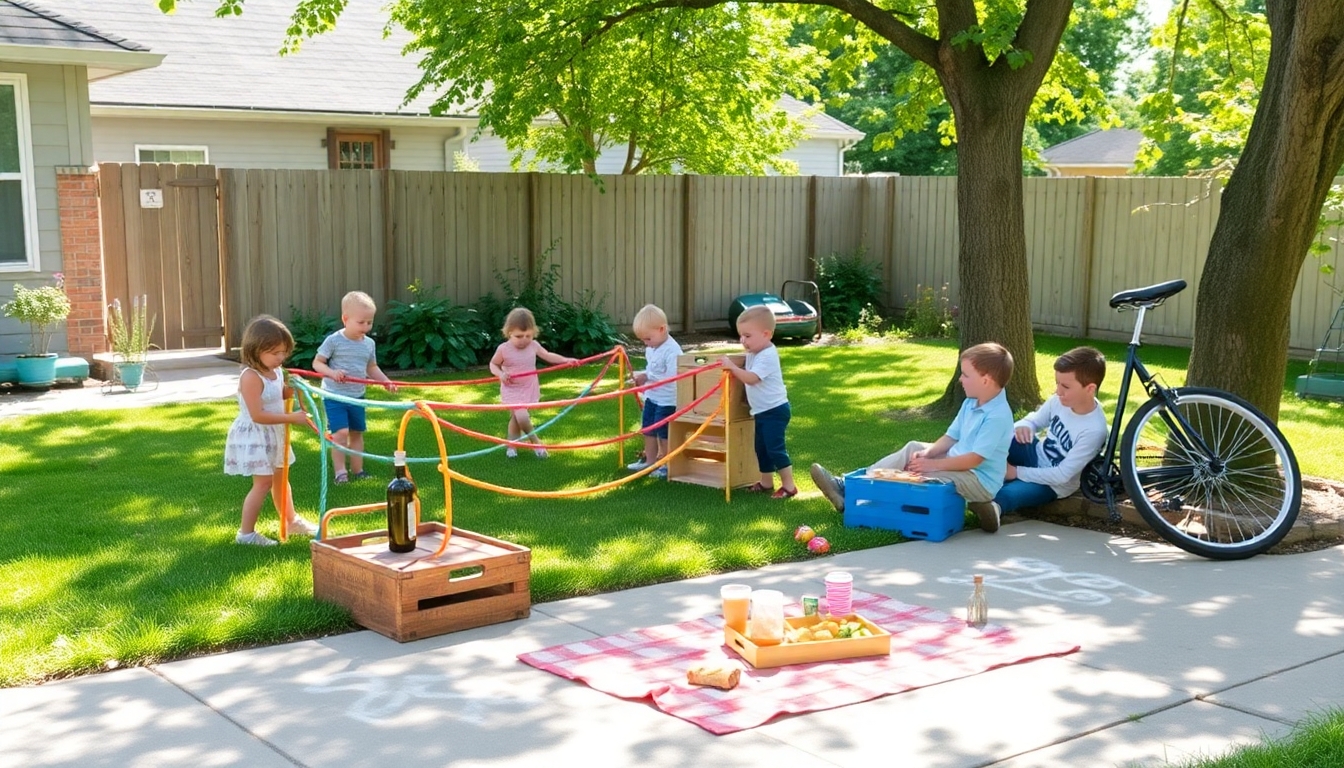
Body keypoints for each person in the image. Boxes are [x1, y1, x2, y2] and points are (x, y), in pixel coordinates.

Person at [810, 342, 1016, 532]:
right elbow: (951, 436)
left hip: (979, 479)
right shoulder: (971, 402)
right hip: (960, 465)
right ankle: (847, 486)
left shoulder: (997, 415)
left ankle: (867, 504)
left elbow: (974, 459)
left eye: (966, 375)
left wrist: (932, 466)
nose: (960, 379)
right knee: (912, 449)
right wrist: (927, 454)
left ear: (986, 380)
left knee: (922, 476)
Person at [224, 315, 319, 546]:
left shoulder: (276, 372)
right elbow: (257, 414)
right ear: (256, 350)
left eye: (284, 352)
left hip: (274, 433)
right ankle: (245, 534)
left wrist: (292, 389)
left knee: (281, 478)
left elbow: (277, 393)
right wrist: (291, 418)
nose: (281, 357)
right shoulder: (251, 377)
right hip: (256, 435)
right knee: (263, 482)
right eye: (275, 353)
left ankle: (291, 520)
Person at [994, 346, 1108, 516]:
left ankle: (991, 506)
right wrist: (1026, 425)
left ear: (1090, 388)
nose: (1058, 391)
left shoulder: (1094, 430)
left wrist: (1015, 472)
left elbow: (1062, 475)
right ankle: (968, 466)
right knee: (999, 436)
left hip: (1052, 484)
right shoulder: (1059, 400)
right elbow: (1035, 420)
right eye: (1057, 383)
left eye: (1066, 386)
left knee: (1007, 495)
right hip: (1034, 455)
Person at [312, 291, 397, 484]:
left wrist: (385, 381)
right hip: (334, 395)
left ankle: (358, 470)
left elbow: (371, 367)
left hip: (357, 396)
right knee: (340, 433)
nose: (366, 327)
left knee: (356, 432)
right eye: (361, 322)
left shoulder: (369, 344)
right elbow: (317, 363)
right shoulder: (334, 340)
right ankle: (340, 472)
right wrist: (332, 373)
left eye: (370, 322)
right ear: (345, 319)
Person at [721, 306, 798, 499]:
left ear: (766, 334)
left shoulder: (768, 355)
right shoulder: (754, 352)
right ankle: (766, 482)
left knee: (775, 448)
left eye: (747, 336)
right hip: (761, 411)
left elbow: (752, 378)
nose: (743, 341)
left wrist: (731, 368)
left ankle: (789, 486)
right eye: (741, 336)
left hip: (775, 410)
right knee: (761, 448)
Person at [489, 307, 578, 458]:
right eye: (519, 336)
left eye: (528, 335)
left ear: (533, 332)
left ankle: (511, 446)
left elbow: (548, 355)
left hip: (528, 386)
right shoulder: (504, 349)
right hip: (511, 388)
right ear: (509, 332)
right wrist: (501, 374)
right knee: (522, 416)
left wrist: (566, 360)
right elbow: (493, 365)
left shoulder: (533, 345)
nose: (524, 340)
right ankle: (536, 443)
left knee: (516, 418)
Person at [627, 304, 683, 479]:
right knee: (648, 429)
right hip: (652, 396)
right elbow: (651, 369)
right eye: (643, 340)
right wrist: (642, 379)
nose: (645, 343)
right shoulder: (652, 348)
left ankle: (666, 464)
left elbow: (672, 376)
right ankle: (650, 461)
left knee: (664, 432)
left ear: (662, 329)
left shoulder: (672, 350)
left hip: (668, 400)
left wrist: (647, 377)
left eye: (648, 339)